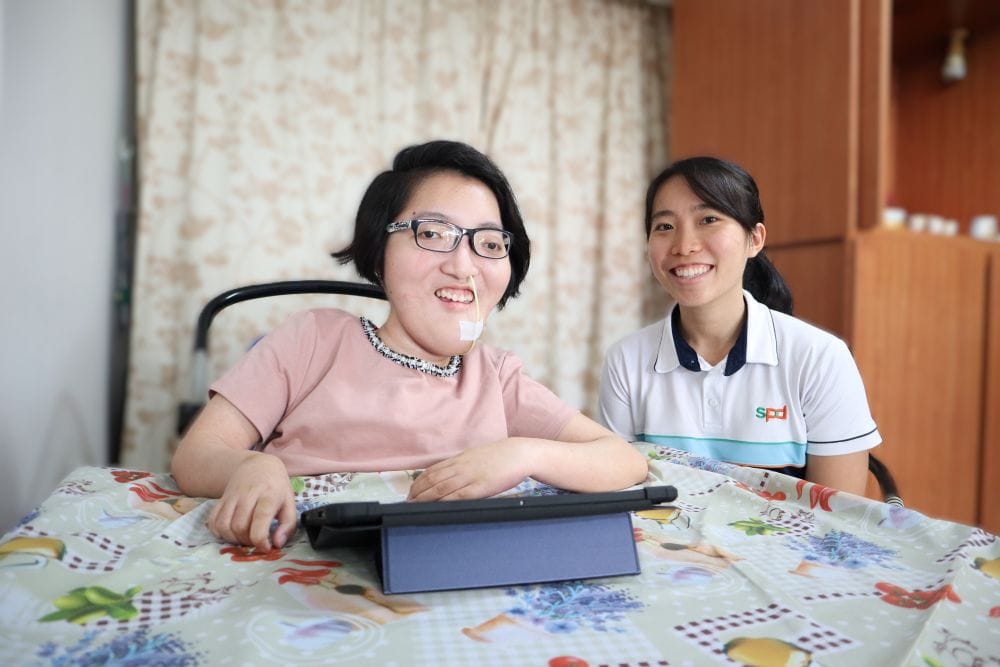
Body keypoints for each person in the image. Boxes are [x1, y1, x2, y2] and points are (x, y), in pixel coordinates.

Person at [172, 140, 649, 551]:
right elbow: (196, 456)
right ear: (379, 251)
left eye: (488, 243)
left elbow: (623, 459)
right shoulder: (312, 339)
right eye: (434, 234)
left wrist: (524, 454)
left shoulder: (497, 377)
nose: (464, 266)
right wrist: (252, 466)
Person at [598, 156, 880, 495]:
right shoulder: (625, 360)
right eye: (664, 226)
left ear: (755, 239)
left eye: (708, 219)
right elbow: (622, 496)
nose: (684, 245)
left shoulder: (819, 358)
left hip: (784, 547)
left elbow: (838, 518)